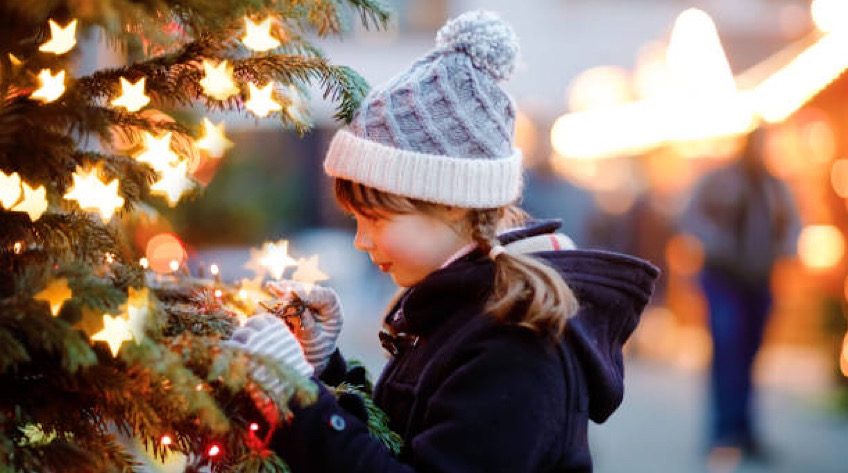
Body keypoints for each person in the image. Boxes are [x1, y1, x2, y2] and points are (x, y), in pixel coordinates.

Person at [226, 10, 659, 472]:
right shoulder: (455, 309)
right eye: (354, 220)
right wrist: (326, 370)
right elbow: (402, 442)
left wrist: (296, 398)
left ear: (450, 201)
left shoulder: (515, 346)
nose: (361, 241)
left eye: (374, 217)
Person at [681, 127, 801, 458]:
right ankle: (723, 432)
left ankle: (745, 430)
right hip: (723, 277)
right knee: (727, 349)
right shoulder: (718, 181)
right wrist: (718, 246)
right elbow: (690, 218)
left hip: (759, 279)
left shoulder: (775, 186)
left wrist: (783, 250)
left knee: (750, 355)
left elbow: (792, 225)